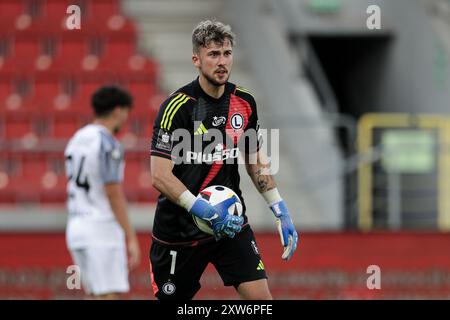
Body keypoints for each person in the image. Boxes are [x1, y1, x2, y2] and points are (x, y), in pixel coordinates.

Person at [149, 20, 298, 300]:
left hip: (230, 223)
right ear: (196, 60)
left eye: (227, 53)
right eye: (213, 54)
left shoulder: (244, 102)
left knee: (262, 301)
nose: (222, 62)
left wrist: (279, 207)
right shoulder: (177, 107)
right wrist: (202, 209)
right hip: (179, 232)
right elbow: (159, 175)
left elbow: (254, 160)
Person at [64, 86, 141, 299]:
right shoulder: (107, 143)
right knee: (108, 295)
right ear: (118, 111)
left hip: (76, 227)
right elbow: (113, 193)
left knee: (96, 295)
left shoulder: (76, 139)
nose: (125, 119)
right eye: (125, 112)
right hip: (101, 228)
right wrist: (131, 237)